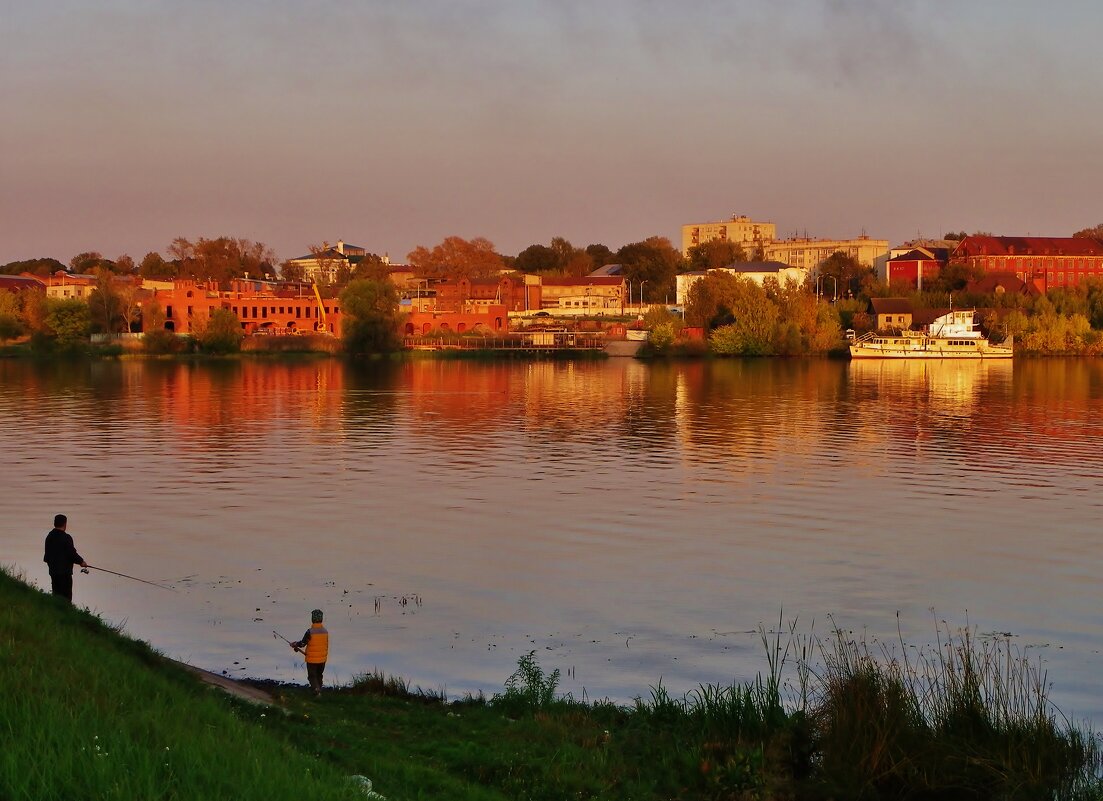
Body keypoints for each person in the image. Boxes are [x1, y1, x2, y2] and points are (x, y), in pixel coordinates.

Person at [43, 514, 87, 603]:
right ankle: (65, 612)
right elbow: (72, 554)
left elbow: (46, 556)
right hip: (65, 573)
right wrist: (81, 562)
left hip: (53, 571)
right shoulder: (66, 538)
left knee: (56, 594)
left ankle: (56, 611)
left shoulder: (49, 536)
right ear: (65, 524)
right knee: (66, 597)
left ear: (54, 523)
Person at [291, 609, 329, 697]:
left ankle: (316, 691)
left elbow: (302, 643)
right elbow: (326, 645)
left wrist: (295, 644)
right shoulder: (325, 632)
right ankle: (319, 690)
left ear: (312, 619)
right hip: (323, 659)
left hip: (312, 659)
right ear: (321, 619)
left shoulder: (310, 632)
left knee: (312, 676)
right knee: (319, 675)